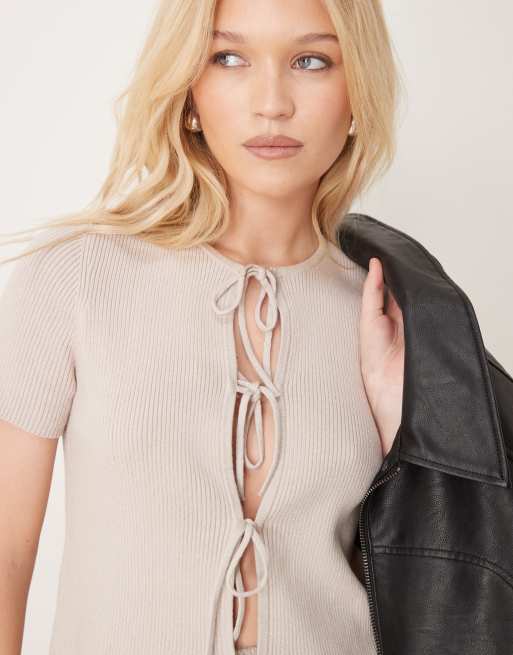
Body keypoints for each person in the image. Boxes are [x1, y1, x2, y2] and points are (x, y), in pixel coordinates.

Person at [0, 1, 405, 653]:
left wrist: (403, 416)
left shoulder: (390, 313)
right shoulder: (75, 278)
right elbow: (7, 553)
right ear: (188, 88)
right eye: (228, 57)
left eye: (311, 61)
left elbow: (435, 569)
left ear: (358, 88)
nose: (271, 103)